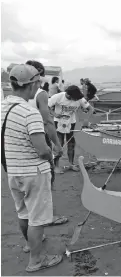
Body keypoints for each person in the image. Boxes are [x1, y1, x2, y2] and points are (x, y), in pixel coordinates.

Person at [1, 64, 63, 272]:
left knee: (23, 212)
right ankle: (36, 261)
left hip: (13, 170)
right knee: (38, 217)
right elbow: (42, 150)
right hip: (33, 172)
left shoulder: (2, 107)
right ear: (34, 84)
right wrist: (52, 154)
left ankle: (29, 244)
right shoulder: (29, 112)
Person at [25, 60, 68, 227]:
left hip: (23, 144)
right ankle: (46, 216)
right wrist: (57, 145)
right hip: (40, 140)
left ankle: (32, 215)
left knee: (29, 183)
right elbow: (48, 122)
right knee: (47, 178)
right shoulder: (40, 94)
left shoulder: (15, 97)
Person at [48, 86, 93, 172]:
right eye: (74, 98)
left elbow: (90, 109)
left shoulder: (79, 98)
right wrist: (54, 114)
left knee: (71, 144)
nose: (75, 100)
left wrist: (86, 120)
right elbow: (47, 106)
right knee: (59, 144)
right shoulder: (58, 97)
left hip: (71, 123)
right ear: (69, 95)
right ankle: (56, 166)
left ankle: (71, 164)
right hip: (58, 123)